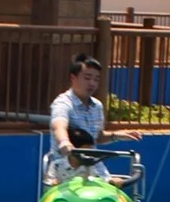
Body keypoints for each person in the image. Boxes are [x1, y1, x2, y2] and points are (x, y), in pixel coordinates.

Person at [45, 55, 139, 187]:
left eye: (96, 79)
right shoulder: (63, 103)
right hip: (65, 173)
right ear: (73, 78)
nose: (92, 83)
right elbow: (59, 127)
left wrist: (116, 135)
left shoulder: (97, 106)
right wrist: (64, 142)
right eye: (87, 78)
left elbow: (98, 137)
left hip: (94, 171)